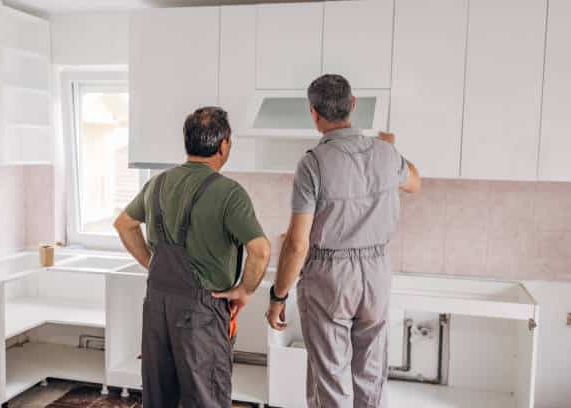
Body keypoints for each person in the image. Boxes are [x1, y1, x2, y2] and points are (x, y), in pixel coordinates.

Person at [266, 74, 421, 407]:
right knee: (371, 373)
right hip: (377, 272)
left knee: (331, 378)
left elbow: (297, 243)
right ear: (353, 104)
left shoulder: (313, 163)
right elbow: (415, 183)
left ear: (314, 113)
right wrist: (389, 151)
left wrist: (278, 295)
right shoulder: (386, 154)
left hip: (331, 276)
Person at [114, 106, 271, 408]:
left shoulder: (156, 184)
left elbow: (124, 224)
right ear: (224, 144)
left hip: (157, 306)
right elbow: (261, 250)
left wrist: (151, 262)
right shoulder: (229, 193)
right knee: (206, 398)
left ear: (187, 141)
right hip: (201, 312)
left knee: (158, 398)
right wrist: (244, 290)